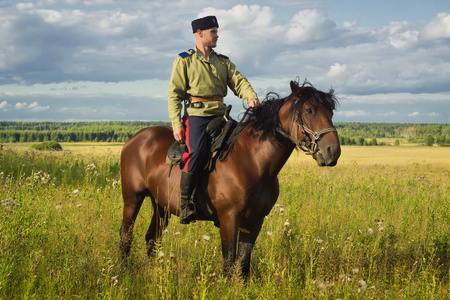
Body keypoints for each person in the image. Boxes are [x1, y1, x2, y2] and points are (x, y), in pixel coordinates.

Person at [168, 15, 260, 224]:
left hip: (221, 116)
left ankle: (227, 201)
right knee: (198, 152)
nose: (217, 35)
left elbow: (239, 82)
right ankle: (185, 204)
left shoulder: (222, 62)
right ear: (199, 34)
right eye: (213, 32)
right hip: (197, 116)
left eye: (217, 31)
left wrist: (251, 96)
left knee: (240, 148)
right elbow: (174, 95)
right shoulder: (184, 60)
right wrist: (176, 124)